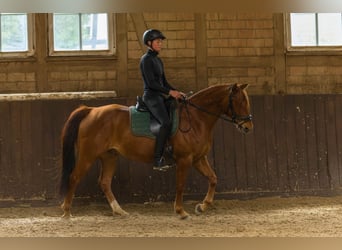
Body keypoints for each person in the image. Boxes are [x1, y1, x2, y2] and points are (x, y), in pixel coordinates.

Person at [140, 29, 185, 171]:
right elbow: (152, 84)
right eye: (158, 42)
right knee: (165, 122)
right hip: (151, 97)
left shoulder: (158, 60)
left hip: (159, 96)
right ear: (149, 43)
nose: (160, 44)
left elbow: (164, 82)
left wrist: (177, 92)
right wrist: (169, 92)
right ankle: (157, 159)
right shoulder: (146, 60)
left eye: (161, 42)